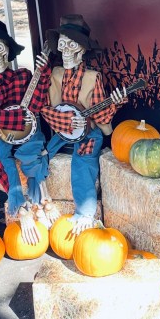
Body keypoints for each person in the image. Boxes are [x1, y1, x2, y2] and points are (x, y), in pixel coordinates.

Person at [0, 20, 57, 244]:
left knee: (33, 151)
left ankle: (41, 198)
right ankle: (21, 206)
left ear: (8, 50)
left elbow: (35, 105)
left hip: (28, 132)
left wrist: (43, 74)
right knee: (1, 158)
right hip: (0, 135)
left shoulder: (23, 76)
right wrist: (12, 120)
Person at [39, 15, 127, 234]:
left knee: (83, 163)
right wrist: (66, 121)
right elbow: (45, 107)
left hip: (88, 133)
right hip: (62, 131)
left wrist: (114, 103)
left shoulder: (92, 77)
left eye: (72, 45)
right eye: (62, 44)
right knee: (40, 156)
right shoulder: (55, 74)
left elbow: (102, 117)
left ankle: (85, 213)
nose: (66, 51)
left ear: (82, 50)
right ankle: (38, 202)